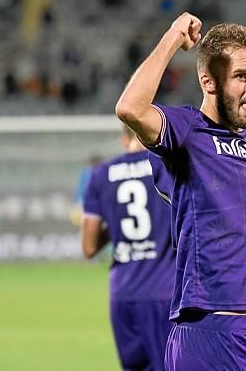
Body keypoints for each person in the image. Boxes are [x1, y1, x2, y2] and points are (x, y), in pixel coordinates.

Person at [115, 11, 246, 370]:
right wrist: (173, 36)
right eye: (241, 76)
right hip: (213, 329)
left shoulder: (245, 135)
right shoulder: (186, 132)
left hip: (228, 330)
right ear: (209, 82)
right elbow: (130, 109)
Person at [81, 125, 175, 371]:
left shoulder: (101, 174)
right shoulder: (169, 167)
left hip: (122, 295)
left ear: (125, 139)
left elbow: (89, 247)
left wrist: (116, 223)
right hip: (164, 291)